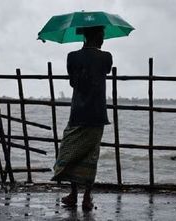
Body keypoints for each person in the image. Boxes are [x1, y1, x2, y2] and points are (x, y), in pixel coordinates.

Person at [51, 25, 112, 211]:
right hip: (97, 114)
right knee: (90, 156)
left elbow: (72, 81)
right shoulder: (106, 57)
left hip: (78, 112)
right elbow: (105, 71)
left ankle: (74, 194)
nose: (103, 38)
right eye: (101, 34)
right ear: (95, 36)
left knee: (72, 152)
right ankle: (86, 197)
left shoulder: (72, 57)